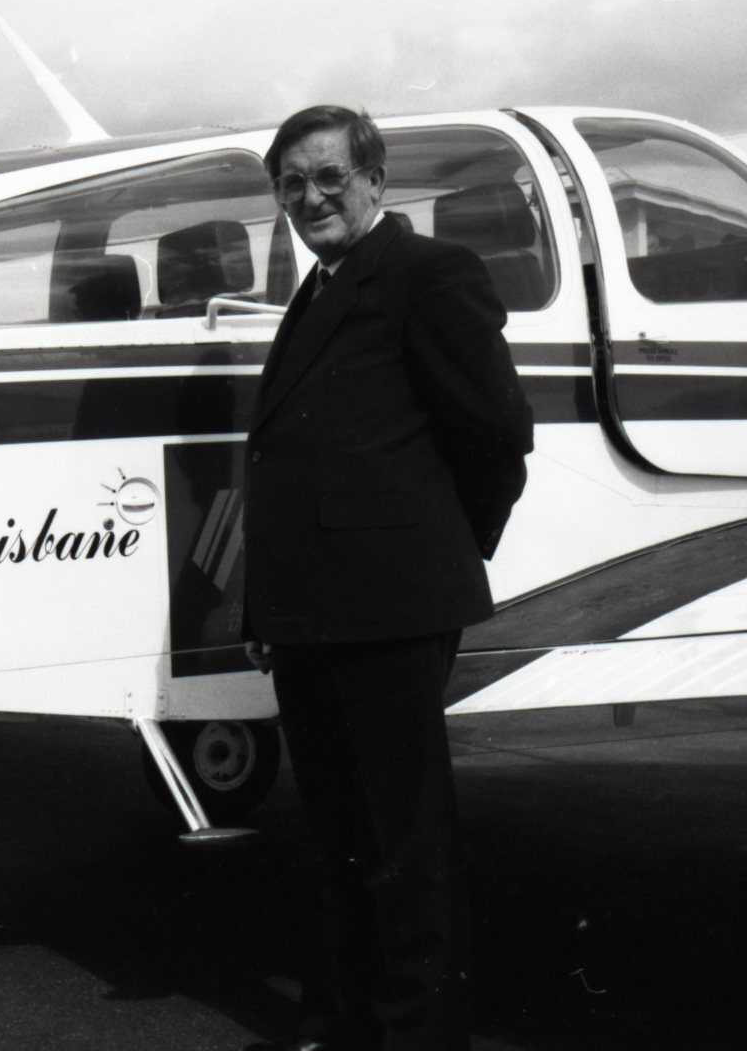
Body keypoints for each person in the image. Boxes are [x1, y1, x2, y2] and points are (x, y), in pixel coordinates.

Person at [241, 106, 533, 1051]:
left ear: (375, 181)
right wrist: (269, 607)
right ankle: (342, 1022)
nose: (310, 197)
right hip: (314, 613)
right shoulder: (319, 290)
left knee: (404, 843)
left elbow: (496, 436)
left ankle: (418, 1033)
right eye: (291, 183)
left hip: (391, 609)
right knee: (335, 836)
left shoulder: (429, 274)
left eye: (329, 177)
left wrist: (438, 556)